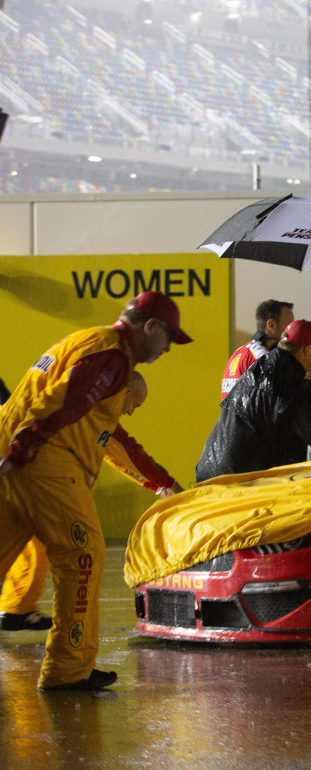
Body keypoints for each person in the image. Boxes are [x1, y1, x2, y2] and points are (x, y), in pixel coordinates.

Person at [0, 291, 190, 691]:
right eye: (168, 338)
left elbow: (110, 437)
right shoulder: (112, 358)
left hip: (17, 453)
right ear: (150, 326)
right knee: (82, 554)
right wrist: (23, 448)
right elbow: (60, 404)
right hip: (41, 460)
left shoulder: (88, 340)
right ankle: (68, 669)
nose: (168, 348)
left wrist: (162, 482)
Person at [0, 371, 181, 633]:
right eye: (135, 404)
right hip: (19, 472)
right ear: (125, 392)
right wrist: (166, 484)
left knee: (34, 542)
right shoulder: (94, 411)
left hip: (19, 473)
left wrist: (157, 485)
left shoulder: (85, 400)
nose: (131, 412)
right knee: (82, 550)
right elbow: (127, 452)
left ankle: (16, 609)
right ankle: (69, 645)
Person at [196, 320, 311, 482]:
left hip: (211, 473)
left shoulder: (262, 366)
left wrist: (303, 379)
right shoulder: (286, 380)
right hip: (237, 482)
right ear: (307, 350)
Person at [220, 299, 294, 400]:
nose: (292, 331)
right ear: (271, 325)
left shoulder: (240, 352)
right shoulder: (262, 357)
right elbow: (278, 399)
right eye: (289, 325)